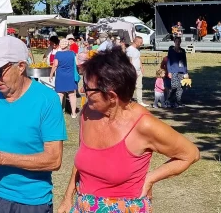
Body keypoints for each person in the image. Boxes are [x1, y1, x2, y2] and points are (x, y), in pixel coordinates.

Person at [57, 47, 200, 213]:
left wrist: (150, 179)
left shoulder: (143, 125)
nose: (82, 91)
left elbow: (190, 154)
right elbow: (82, 160)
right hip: (83, 206)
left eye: (88, 88)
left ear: (111, 97)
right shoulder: (88, 113)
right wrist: (68, 198)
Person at [0, 35, 67, 213]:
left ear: (21, 66)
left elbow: (54, 160)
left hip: (31, 202)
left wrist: (2, 158)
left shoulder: (47, 100)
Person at [50, 39, 79, 118]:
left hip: (60, 76)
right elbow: (77, 63)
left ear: (60, 45)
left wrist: (51, 74)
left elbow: (55, 65)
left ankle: (59, 113)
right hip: (70, 76)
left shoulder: (58, 54)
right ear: (68, 45)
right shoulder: (72, 53)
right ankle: (73, 113)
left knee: (60, 94)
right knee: (72, 95)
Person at [126, 36, 148, 107]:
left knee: (139, 86)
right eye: (141, 42)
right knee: (131, 86)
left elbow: (138, 59)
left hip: (139, 71)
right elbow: (130, 61)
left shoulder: (137, 50)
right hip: (133, 71)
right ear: (136, 42)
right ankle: (128, 100)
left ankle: (140, 101)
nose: (142, 44)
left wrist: (142, 67)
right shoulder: (129, 50)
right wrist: (132, 71)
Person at [167, 37, 188, 108]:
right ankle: (169, 100)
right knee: (174, 86)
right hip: (173, 70)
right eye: (176, 41)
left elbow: (184, 61)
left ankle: (178, 101)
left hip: (181, 71)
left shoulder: (182, 51)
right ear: (174, 42)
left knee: (180, 87)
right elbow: (168, 61)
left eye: (179, 41)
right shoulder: (171, 50)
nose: (178, 43)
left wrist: (185, 72)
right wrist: (169, 71)